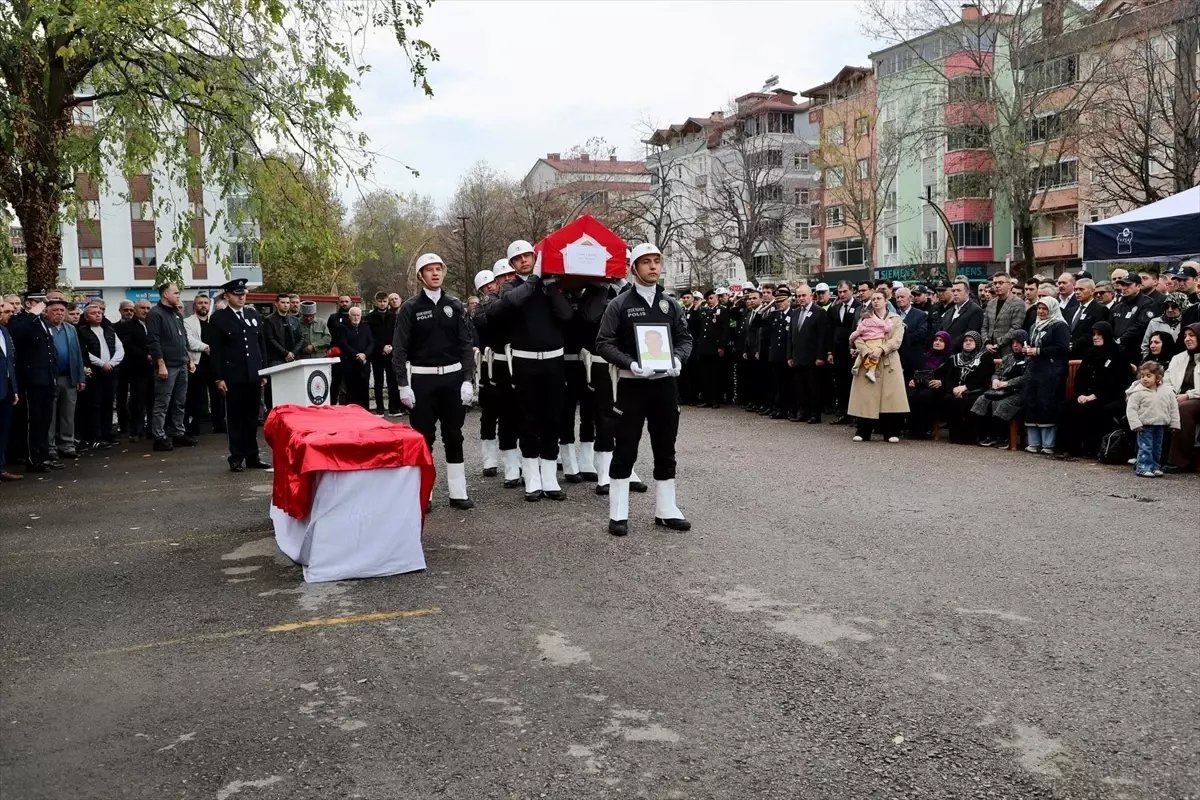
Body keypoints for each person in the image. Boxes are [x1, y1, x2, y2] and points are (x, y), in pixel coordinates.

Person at [595, 243, 693, 536]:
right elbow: (603, 343)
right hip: (632, 386)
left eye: (657, 262)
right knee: (625, 448)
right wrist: (630, 363)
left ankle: (666, 510)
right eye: (646, 262)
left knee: (666, 447)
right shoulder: (619, 304)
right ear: (634, 268)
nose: (653, 267)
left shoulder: (671, 304)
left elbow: (685, 339)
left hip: (664, 386)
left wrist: (677, 358)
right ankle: (618, 513)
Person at [392, 253, 476, 510]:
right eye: (429, 270)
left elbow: (466, 344)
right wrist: (403, 384)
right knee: (423, 437)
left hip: (452, 380)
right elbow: (399, 349)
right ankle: (424, 493)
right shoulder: (410, 308)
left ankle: (458, 492)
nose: (435, 273)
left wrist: (467, 379)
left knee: (454, 435)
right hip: (423, 381)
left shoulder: (455, 305)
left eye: (438, 269)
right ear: (421, 276)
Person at [493, 239, 573, 502]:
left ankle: (549, 477)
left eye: (528, 256)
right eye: (519, 259)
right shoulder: (510, 287)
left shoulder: (550, 286)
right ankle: (531, 476)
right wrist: (534, 280)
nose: (525, 261)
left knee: (552, 418)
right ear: (513, 265)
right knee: (528, 418)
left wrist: (550, 289)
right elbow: (514, 302)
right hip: (525, 361)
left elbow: (566, 317)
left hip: (553, 360)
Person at [208, 278, 271, 472]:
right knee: (235, 418)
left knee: (252, 418)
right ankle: (236, 456)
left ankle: (252, 456)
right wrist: (218, 377)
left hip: (252, 375)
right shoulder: (219, 318)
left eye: (243, 294)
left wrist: (263, 371)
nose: (242, 297)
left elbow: (261, 345)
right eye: (237, 294)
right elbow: (216, 351)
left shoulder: (253, 315)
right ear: (227, 296)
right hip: (233, 376)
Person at [9, 297, 77, 471]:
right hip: (32, 380)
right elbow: (16, 333)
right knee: (35, 420)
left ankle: (44, 455)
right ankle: (34, 458)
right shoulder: (22, 320)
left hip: (48, 379)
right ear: (29, 304)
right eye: (38, 302)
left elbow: (49, 351)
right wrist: (32, 314)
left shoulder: (43, 323)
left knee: (45, 421)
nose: (42, 305)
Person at [474, 259, 523, 486]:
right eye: (500, 279)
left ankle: (520, 460)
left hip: (517, 363)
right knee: (491, 412)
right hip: (493, 364)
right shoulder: (486, 307)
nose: (492, 287)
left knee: (517, 414)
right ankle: (491, 459)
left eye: (494, 283)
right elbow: (484, 325)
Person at [1058, 322, 1129, 459]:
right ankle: (1069, 448)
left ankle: (1090, 449)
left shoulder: (1118, 354)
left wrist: (1094, 396)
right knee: (1067, 407)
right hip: (1086, 395)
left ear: (1107, 335)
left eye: (1099, 334)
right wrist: (1080, 394)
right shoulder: (1090, 353)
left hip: (1109, 396)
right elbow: (1080, 378)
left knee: (1090, 409)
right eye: (1094, 334)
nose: (1095, 337)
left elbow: (1116, 382)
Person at [848, 291, 907, 442]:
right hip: (868, 360)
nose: (875, 301)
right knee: (866, 397)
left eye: (879, 298)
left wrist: (881, 349)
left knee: (890, 398)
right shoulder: (865, 318)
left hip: (889, 361)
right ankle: (863, 430)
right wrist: (867, 351)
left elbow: (897, 340)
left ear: (886, 300)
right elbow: (857, 338)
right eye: (873, 299)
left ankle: (891, 432)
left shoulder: (895, 319)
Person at [145, 283, 194, 451]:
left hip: (181, 363)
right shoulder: (155, 314)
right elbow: (153, 340)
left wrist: (189, 359)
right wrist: (160, 364)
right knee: (162, 402)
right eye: (176, 293)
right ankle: (159, 436)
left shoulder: (176, 314)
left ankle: (178, 432)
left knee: (180, 402)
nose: (179, 296)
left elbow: (184, 338)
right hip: (167, 365)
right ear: (165, 294)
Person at [1021, 296, 1071, 455]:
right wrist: (1028, 349)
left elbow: (1062, 348)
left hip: (1052, 370)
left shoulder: (1059, 326)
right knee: (1032, 402)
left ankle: (1048, 443)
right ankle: (1034, 442)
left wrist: (1039, 351)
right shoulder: (1035, 325)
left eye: (1045, 309)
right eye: (1039, 308)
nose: (1041, 312)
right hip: (1035, 368)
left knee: (1047, 403)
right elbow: (1034, 344)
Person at [76, 302, 123, 449]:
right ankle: (95, 436)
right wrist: (102, 363)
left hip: (110, 371)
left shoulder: (109, 330)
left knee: (108, 403)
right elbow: (84, 353)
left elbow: (120, 349)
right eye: (93, 313)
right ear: (86, 316)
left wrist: (112, 363)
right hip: (94, 372)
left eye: (100, 312)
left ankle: (107, 433)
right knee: (94, 404)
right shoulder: (81, 331)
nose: (98, 315)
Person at [937, 330, 994, 444]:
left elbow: (983, 377)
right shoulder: (956, 357)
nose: (967, 343)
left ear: (977, 342)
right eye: (966, 340)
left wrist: (966, 387)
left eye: (971, 340)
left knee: (971, 401)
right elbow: (949, 377)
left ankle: (970, 437)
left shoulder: (985, 357)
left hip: (975, 390)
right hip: (956, 390)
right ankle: (955, 436)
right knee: (950, 399)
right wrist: (953, 388)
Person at [972, 332, 1029, 447]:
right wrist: (995, 380)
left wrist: (1007, 383)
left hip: (1019, 392)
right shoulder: (1008, 358)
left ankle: (1002, 437)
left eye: (1018, 343)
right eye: (1013, 343)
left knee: (1001, 404)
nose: (1015, 345)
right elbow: (997, 373)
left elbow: (1026, 378)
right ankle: (986, 434)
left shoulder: (1029, 359)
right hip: (1001, 390)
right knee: (983, 400)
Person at [1126, 361, 1180, 477]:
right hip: (1144, 425)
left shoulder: (1167, 391)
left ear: (1158, 377)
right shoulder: (1137, 392)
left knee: (1157, 447)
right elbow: (1131, 409)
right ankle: (1143, 467)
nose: (1145, 379)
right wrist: (1135, 424)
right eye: (1142, 376)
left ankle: (1154, 466)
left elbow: (1173, 407)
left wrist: (1174, 423)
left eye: (1149, 376)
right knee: (1146, 447)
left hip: (1160, 424)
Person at [786, 284, 830, 423]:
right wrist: (789, 355)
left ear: (811, 296)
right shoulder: (795, 312)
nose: (801, 298)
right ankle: (802, 412)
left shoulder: (819, 312)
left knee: (813, 388)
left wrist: (820, 356)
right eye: (798, 296)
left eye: (803, 295)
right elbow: (791, 336)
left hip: (812, 358)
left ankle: (814, 414)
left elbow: (822, 337)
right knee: (800, 387)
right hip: (798, 356)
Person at [184, 293, 224, 435]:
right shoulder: (188, 322)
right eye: (200, 303)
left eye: (205, 303)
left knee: (217, 395)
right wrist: (206, 347)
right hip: (197, 363)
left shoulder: (214, 322)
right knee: (196, 396)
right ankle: (194, 426)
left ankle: (219, 424)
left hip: (214, 364)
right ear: (195, 305)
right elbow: (188, 341)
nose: (203, 305)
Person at [1163, 323, 1200, 473]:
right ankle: (1149, 455)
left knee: (1183, 409)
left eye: (1192, 336)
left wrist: (1188, 395)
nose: (1187, 339)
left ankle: (1180, 460)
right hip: (1177, 397)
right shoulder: (1178, 358)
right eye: (1185, 336)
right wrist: (1172, 394)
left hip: (1196, 398)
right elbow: (1167, 380)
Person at [115, 299, 154, 441]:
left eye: (148, 308)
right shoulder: (128, 326)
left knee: (153, 401)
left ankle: (151, 430)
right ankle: (135, 431)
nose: (145, 311)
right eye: (142, 308)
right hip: (137, 368)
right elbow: (128, 345)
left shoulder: (153, 325)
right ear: (135, 310)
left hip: (154, 368)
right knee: (138, 401)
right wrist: (146, 355)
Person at [828, 281, 860, 423]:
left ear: (852, 291)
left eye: (844, 291)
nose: (841, 294)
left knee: (853, 383)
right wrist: (830, 352)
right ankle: (843, 413)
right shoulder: (835, 308)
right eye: (839, 292)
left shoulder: (859, 306)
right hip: (838, 351)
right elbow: (831, 330)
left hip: (853, 351)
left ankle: (855, 415)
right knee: (840, 383)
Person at [1111, 273, 1158, 367]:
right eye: (1123, 285)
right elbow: (1110, 324)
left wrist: (1121, 339)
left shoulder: (1147, 303)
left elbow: (1141, 325)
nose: (1124, 288)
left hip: (1135, 351)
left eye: (1128, 285)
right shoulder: (1118, 306)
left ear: (1138, 286)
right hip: (1118, 350)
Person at [365, 291, 399, 415]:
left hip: (391, 352)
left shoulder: (394, 316)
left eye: (384, 301)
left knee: (392, 381)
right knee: (378, 381)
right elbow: (370, 336)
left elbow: (397, 334)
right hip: (377, 353)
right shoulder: (369, 317)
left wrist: (391, 347)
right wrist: (381, 347)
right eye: (380, 301)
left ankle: (393, 407)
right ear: (376, 302)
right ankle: (380, 407)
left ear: (387, 302)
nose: (382, 304)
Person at [694, 290, 728, 408]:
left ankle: (715, 399)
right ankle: (706, 398)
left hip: (715, 347)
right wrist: (698, 306)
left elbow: (724, 330)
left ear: (717, 298)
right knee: (704, 375)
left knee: (715, 375)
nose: (709, 301)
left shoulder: (722, 310)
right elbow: (697, 324)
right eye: (707, 299)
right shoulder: (704, 311)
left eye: (711, 298)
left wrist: (721, 347)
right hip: (704, 347)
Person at [338, 306, 374, 410]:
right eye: (353, 315)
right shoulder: (343, 328)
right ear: (349, 316)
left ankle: (365, 412)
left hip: (364, 363)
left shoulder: (366, 327)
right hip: (350, 364)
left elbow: (371, 342)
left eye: (358, 315)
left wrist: (365, 354)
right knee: (351, 390)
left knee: (364, 389)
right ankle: (352, 413)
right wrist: (357, 354)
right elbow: (343, 344)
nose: (356, 317)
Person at [0, 298, 20, 482]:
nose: (7, 311)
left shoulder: (5, 332)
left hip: (5, 391)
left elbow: (9, 363)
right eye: (2, 308)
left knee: (4, 430)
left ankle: (1, 467)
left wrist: (14, 389)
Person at [982, 273, 1026, 353]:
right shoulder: (991, 303)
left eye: (1001, 283)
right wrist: (987, 342)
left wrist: (998, 343)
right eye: (995, 283)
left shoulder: (1018, 303)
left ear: (1009, 285)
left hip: (1007, 350)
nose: (997, 286)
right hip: (988, 350)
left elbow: (1015, 328)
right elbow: (985, 326)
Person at [848, 303, 892, 383]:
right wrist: (888, 321)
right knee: (875, 357)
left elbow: (857, 332)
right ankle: (871, 371)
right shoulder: (880, 321)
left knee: (861, 355)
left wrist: (851, 338)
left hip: (866, 341)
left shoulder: (863, 323)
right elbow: (887, 329)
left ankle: (855, 367)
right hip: (877, 341)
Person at [894, 287, 931, 382]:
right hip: (897, 358)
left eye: (902, 297)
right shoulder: (893, 315)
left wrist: (900, 338)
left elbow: (921, 333)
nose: (899, 300)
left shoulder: (921, 315)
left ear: (910, 298)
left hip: (913, 358)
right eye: (897, 297)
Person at [1067, 278, 1111, 357]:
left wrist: (1074, 345)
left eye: (1081, 289)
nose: (1077, 292)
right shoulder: (1071, 310)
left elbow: (1094, 333)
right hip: (1069, 354)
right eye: (1075, 289)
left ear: (1092, 291)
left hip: (1088, 354)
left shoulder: (1100, 309)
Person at [1140, 292, 1188, 360]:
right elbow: (1145, 345)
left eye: (1174, 306)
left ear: (1182, 306)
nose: (1169, 309)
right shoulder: (1154, 322)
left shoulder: (1187, 322)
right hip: (1157, 363)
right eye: (1166, 306)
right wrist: (1148, 361)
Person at [937, 280, 983, 348]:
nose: (955, 293)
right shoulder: (949, 311)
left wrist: (948, 345)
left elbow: (970, 333)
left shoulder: (975, 310)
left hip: (962, 353)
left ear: (967, 292)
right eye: (953, 291)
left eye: (958, 290)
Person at [326, 295, 353, 404]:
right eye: (342, 301)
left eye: (346, 301)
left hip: (351, 354)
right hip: (337, 355)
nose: (344, 303)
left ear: (350, 302)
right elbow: (329, 335)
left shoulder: (355, 316)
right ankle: (332, 404)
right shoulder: (333, 318)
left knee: (349, 382)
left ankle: (347, 405)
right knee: (335, 381)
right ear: (338, 303)